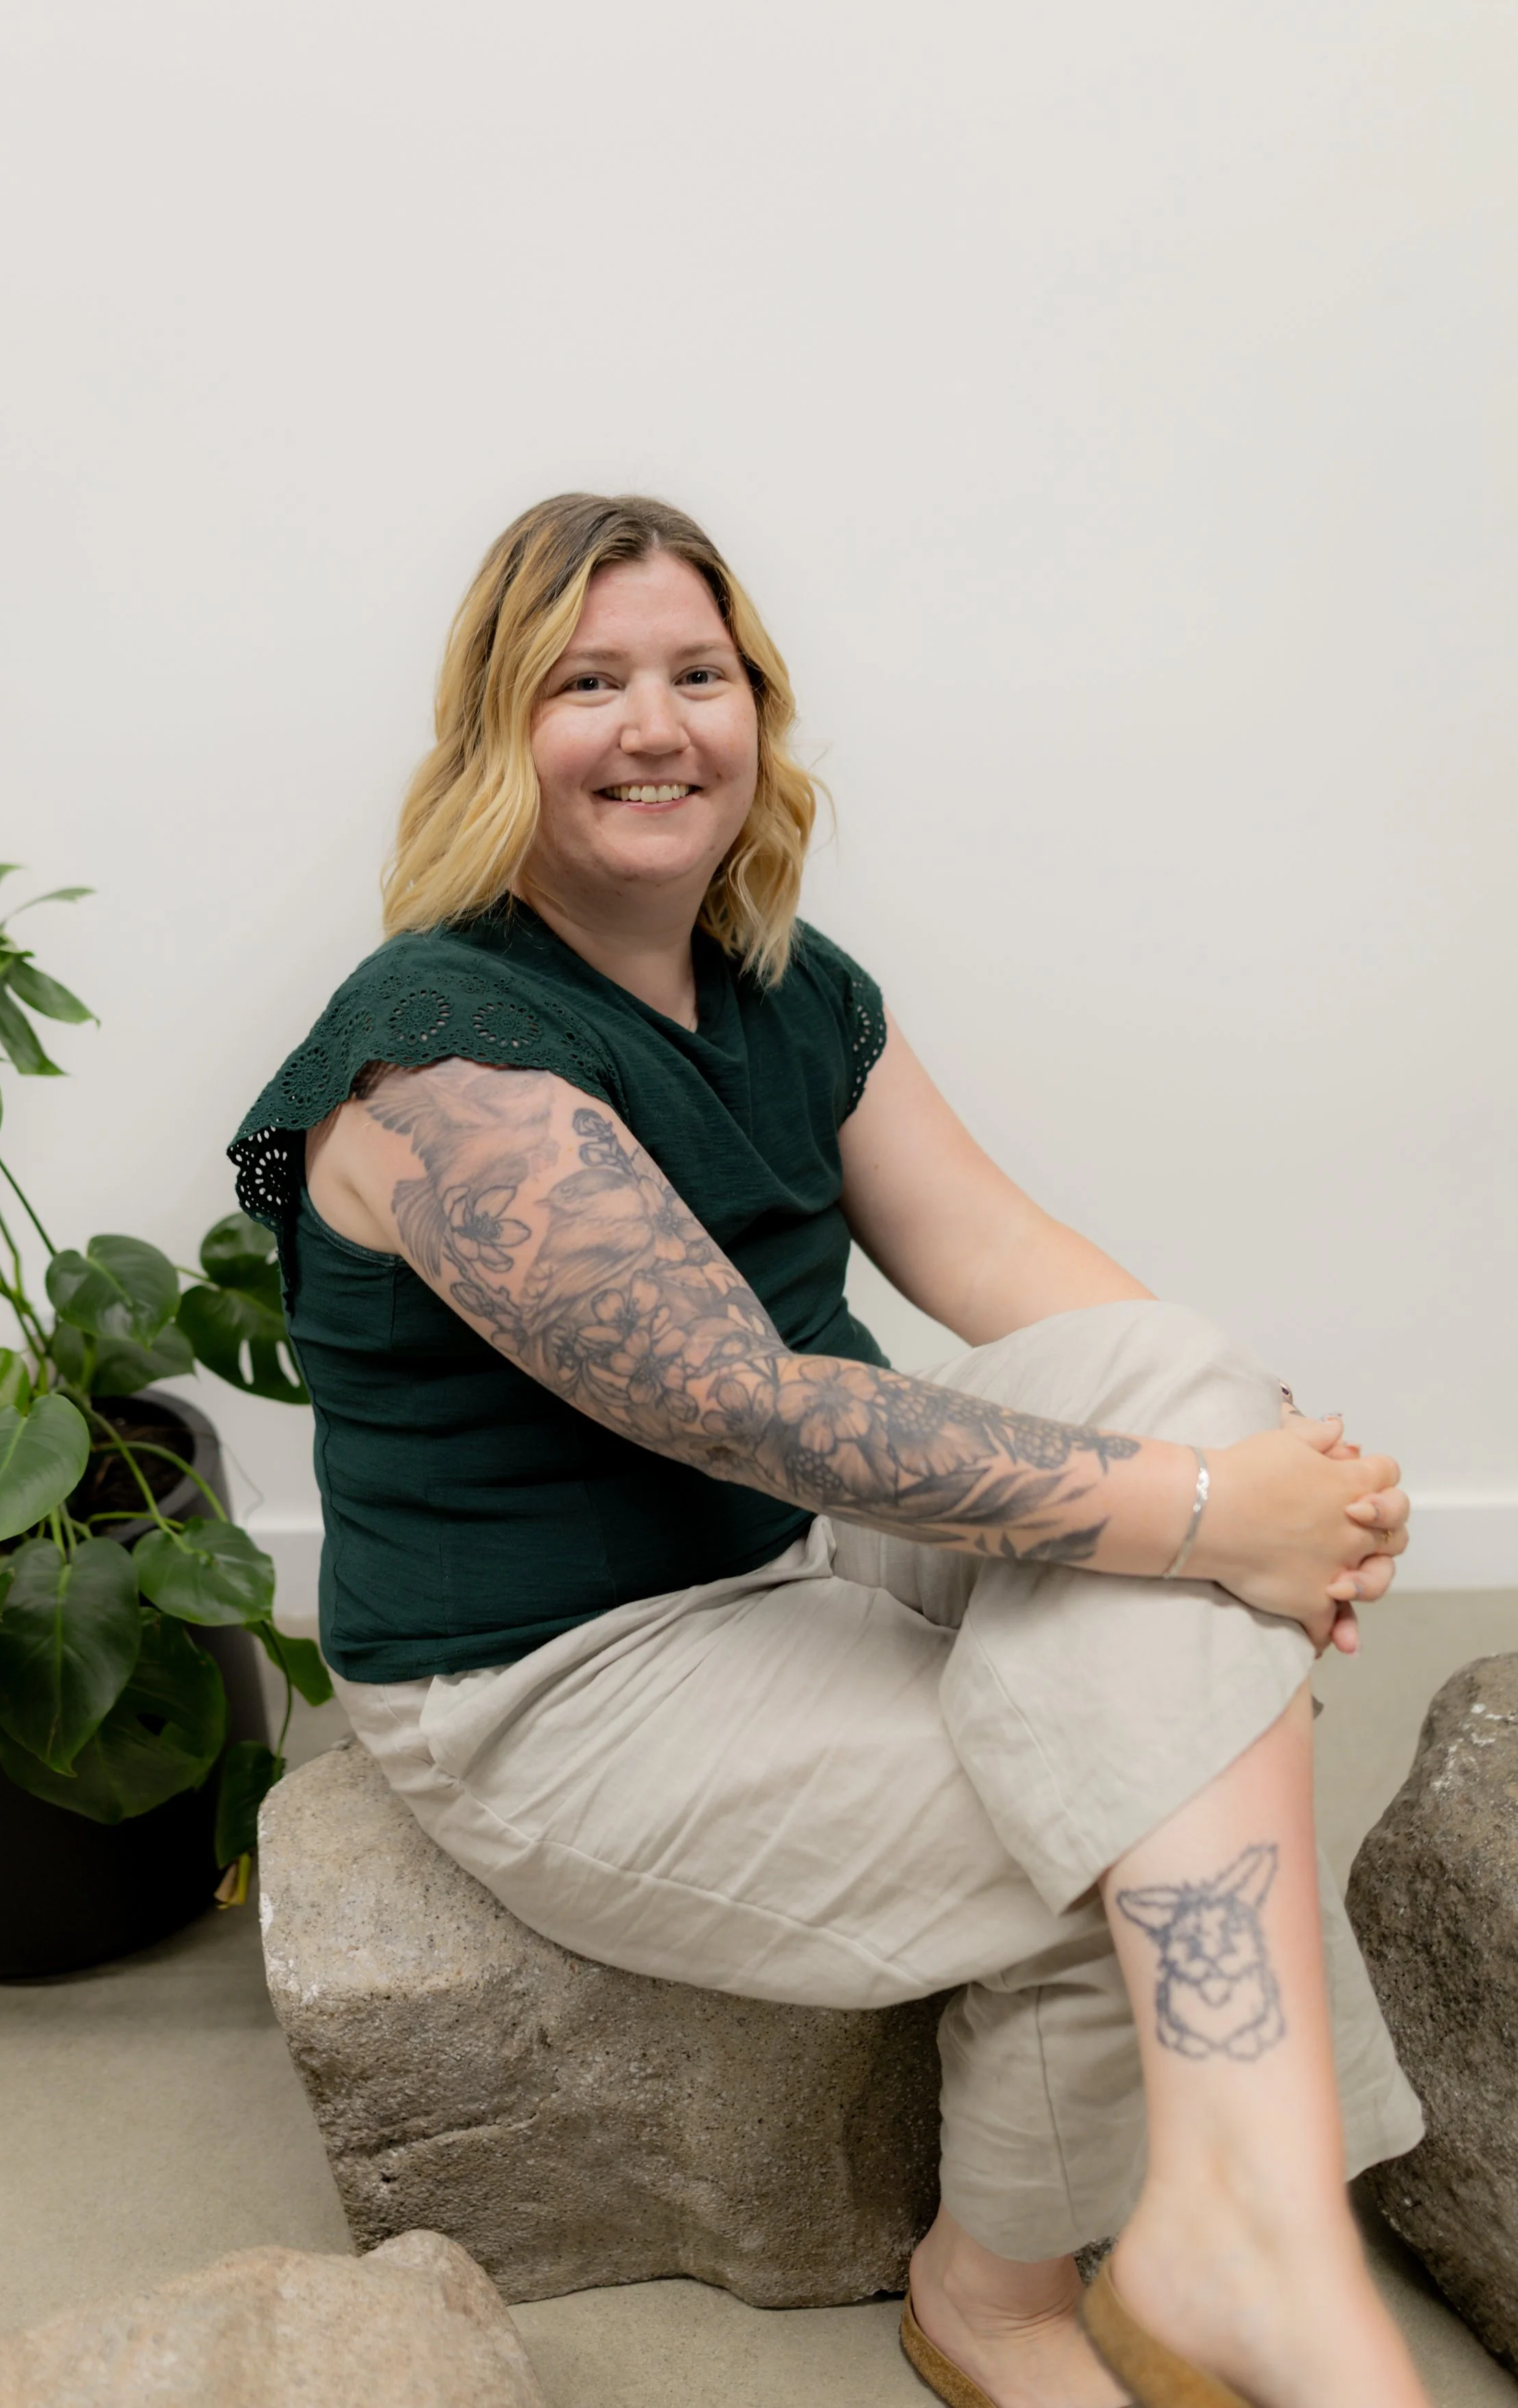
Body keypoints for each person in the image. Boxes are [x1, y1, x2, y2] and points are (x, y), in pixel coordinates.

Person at [231, 494, 1428, 2408]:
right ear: (493, 733)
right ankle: (1005, 2296)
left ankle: (1236, 2214)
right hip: (560, 1668)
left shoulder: (783, 977)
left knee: (1173, 1374)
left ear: (757, 713)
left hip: (799, 1544)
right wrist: (1213, 1524)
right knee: (1127, 1795)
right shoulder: (441, 1057)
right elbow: (746, 1403)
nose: (654, 724)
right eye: (586, 682)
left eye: (697, 674)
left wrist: (1283, 1467)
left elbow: (1006, 1261)